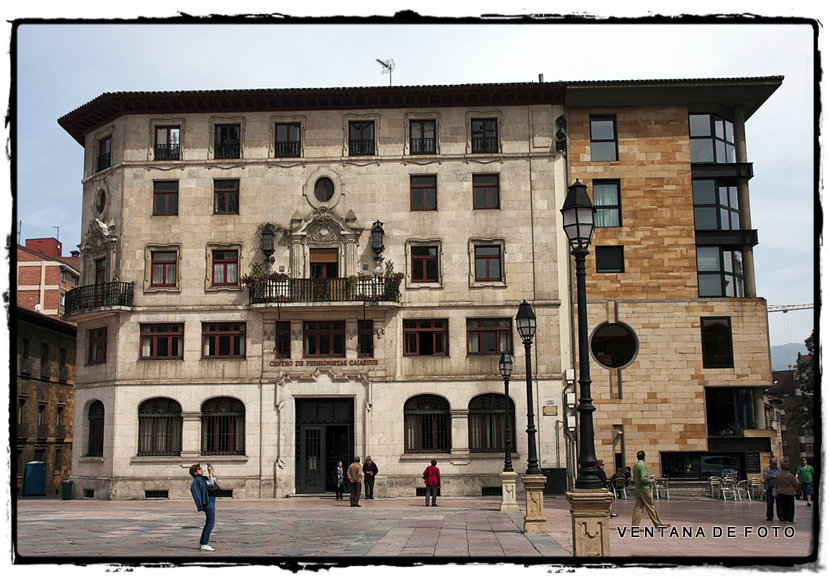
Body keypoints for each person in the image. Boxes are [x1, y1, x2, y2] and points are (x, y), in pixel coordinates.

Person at [631, 451, 667, 528]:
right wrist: (651, 480)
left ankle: (635, 525)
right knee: (650, 506)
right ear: (644, 457)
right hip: (644, 488)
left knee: (638, 507)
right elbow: (643, 478)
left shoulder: (635, 465)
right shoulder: (642, 466)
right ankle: (658, 524)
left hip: (638, 488)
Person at [189, 463, 218, 552]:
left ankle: (203, 543)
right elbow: (197, 492)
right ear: (195, 473)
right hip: (208, 502)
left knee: (209, 522)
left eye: (200, 468)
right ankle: (204, 544)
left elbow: (211, 483)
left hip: (210, 501)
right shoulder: (198, 480)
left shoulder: (202, 479)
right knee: (210, 523)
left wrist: (210, 472)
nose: (201, 470)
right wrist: (201, 505)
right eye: (199, 469)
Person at [762, 457, 780, 521]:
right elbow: (765, 476)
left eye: (775, 463)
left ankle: (780, 515)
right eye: (773, 463)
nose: (774, 465)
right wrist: (772, 476)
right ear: (770, 463)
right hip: (769, 487)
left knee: (779, 503)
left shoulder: (778, 468)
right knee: (770, 502)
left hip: (777, 488)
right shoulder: (766, 468)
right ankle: (769, 516)